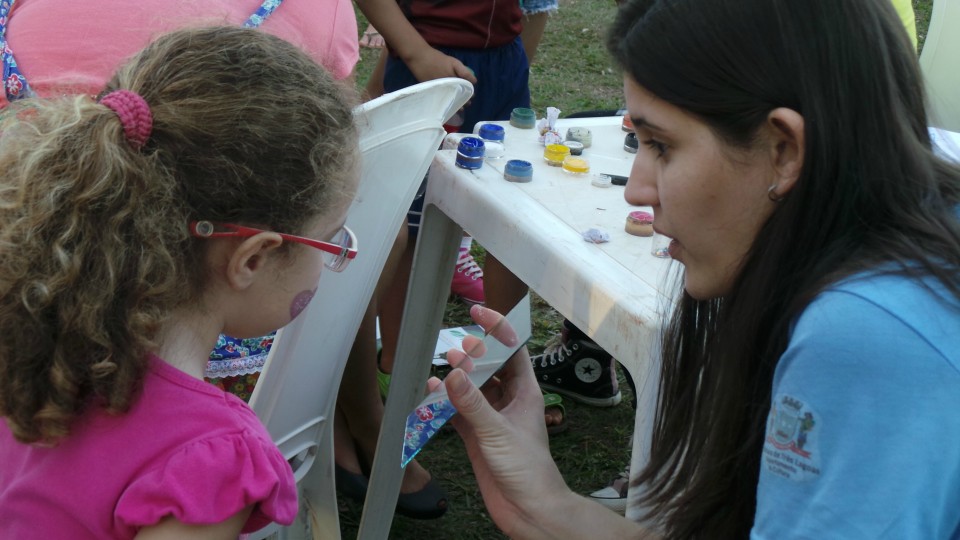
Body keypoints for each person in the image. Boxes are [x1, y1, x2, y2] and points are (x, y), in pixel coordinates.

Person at [436, 0, 960, 538]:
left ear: (785, 151)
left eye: (661, 145)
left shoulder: (867, 336)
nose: (637, 189)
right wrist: (547, 507)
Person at [0, 26, 360, 539]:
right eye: (330, 240)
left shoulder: (33, 341)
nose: (332, 256)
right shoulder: (211, 461)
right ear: (252, 258)